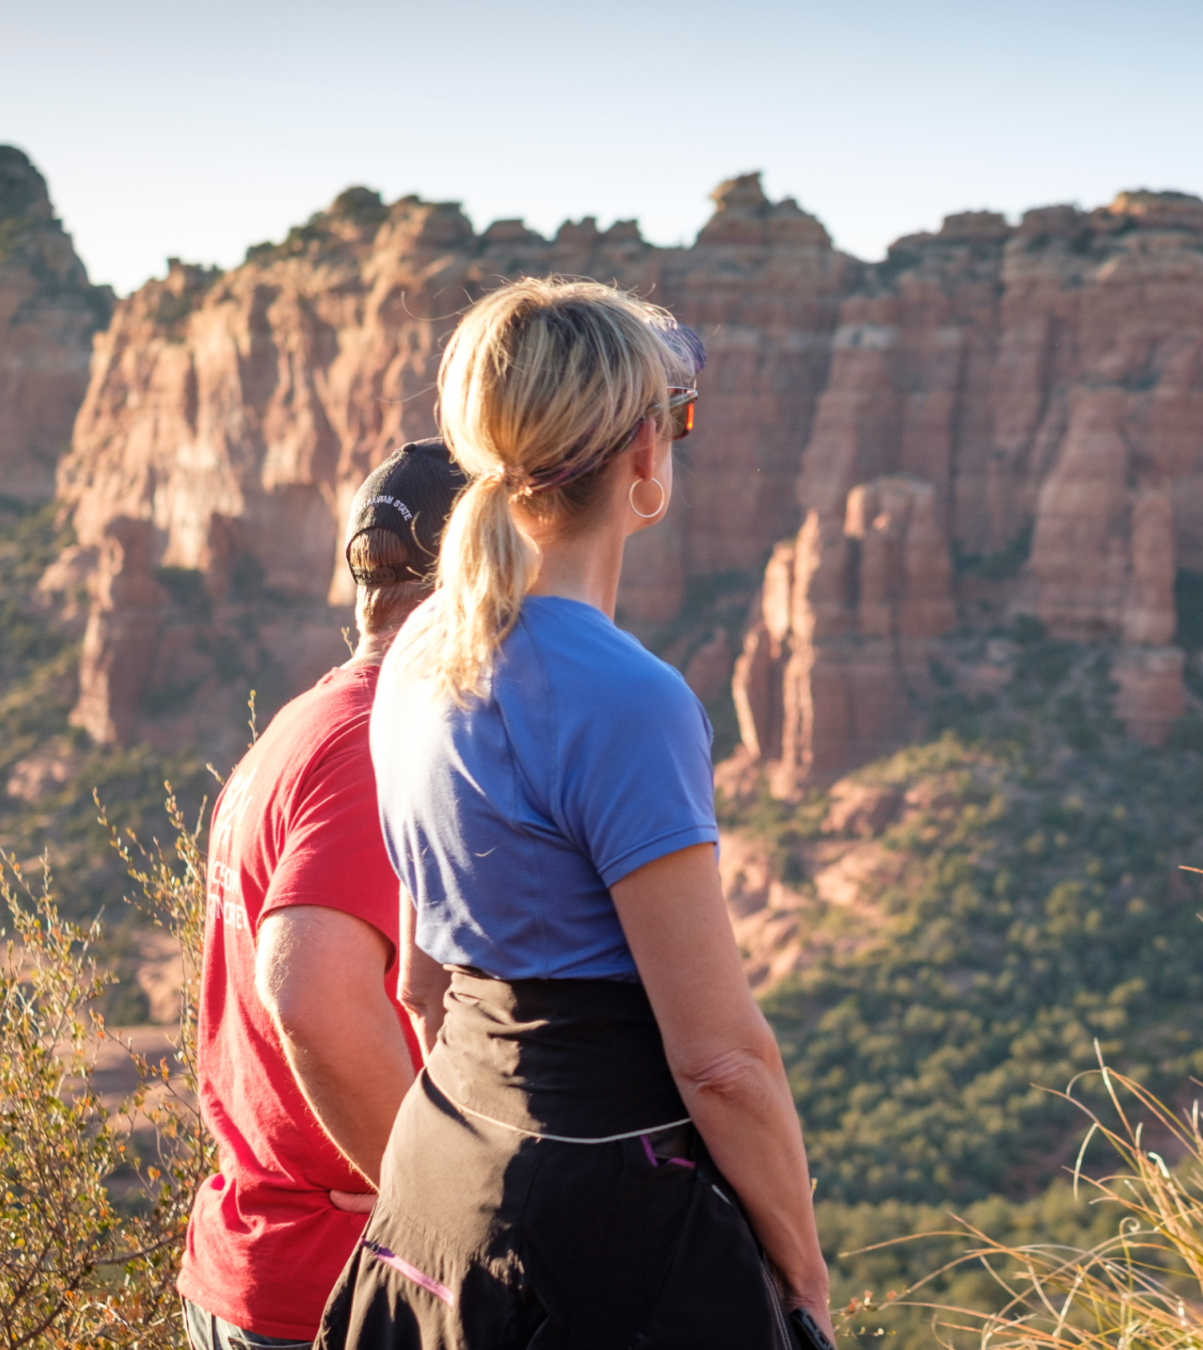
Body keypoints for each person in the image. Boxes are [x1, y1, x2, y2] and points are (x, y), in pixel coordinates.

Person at [318, 278, 832, 1348]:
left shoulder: (417, 652)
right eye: (674, 423)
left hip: (439, 1178)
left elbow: (419, 984)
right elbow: (720, 1062)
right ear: (644, 454)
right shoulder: (626, 697)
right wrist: (799, 1270)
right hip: (607, 1225)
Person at [179, 440, 469, 1350]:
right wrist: (438, 1201)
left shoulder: (303, 724)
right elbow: (308, 994)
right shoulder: (374, 747)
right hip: (338, 1294)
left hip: (250, 1265)